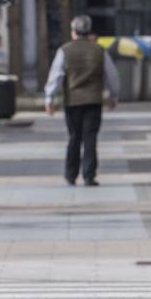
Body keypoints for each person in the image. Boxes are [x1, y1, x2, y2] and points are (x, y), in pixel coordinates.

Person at [44, 15, 119, 186]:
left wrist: (50, 98)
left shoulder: (65, 51)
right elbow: (112, 76)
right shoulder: (99, 51)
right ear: (88, 31)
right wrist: (113, 96)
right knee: (90, 137)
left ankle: (70, 174)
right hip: (94, 100)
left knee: (74, 137)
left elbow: (56, 76)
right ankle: (89, 175)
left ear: (73, 32)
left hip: (73, 102)